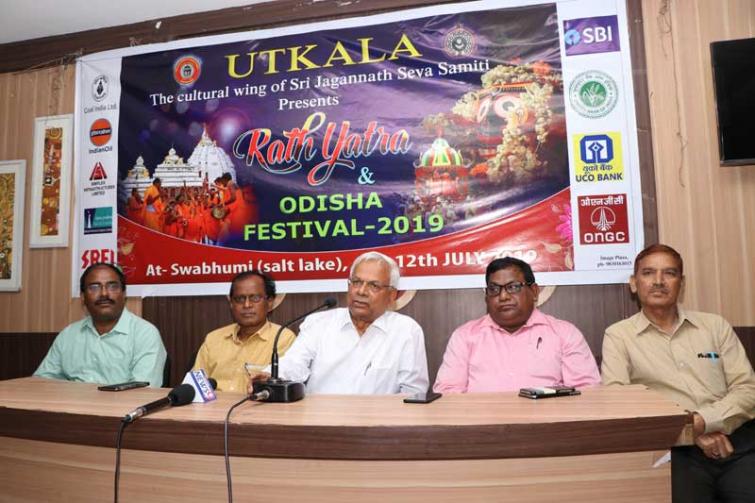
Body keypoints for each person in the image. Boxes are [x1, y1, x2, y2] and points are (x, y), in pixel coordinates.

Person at [602, 244, 755, 503]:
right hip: (673, 451)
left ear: (681, 284)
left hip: (736, 441)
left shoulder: (715, 326)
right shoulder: (619, 336)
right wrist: (688, 431)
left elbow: (747, 389)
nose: (658, 281)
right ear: (634, 283)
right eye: (648, 273)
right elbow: (620, 403)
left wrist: (703, 422)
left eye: (669, 273)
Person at [251, 251, 428, 395]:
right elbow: (294, 363)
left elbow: (413, 392)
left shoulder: (406, 330)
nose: (361, 291)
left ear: (391, 295)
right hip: (321, 421)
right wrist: (270, 375)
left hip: (379, 424)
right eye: (356, 282)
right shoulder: (319, 323)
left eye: (373, 285)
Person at [434, 257, 600, 393]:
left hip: (548, 422)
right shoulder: (465, 336)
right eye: (494, 289)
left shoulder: (564, 334)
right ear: (486, 297)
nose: (503, 296)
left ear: (534, 291)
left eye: (513, 287)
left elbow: (587, 391)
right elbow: (447, 392)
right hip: (483, 422)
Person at [34, 263, 167, 387]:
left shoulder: (144, 334)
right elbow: (42, 382)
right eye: (94, 287)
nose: (104, 293)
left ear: (124, 294)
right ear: (83, 297)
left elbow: (142, 391)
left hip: (121, 405)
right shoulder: (68, 335)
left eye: (112, 286)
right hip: (72, 403)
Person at [193, 270, 295, 392]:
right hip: (214, 404)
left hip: (256, 404)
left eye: (255, 298)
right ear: (231, 303)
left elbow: (283, 387)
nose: (247, 305)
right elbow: (195, 386)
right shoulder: (214, 339)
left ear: (269, 302)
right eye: (240, 299)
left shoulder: (283, 338)